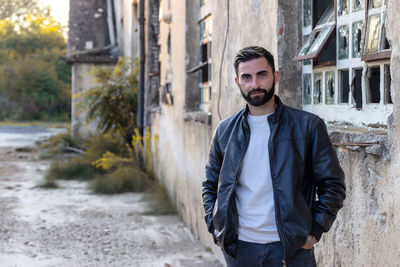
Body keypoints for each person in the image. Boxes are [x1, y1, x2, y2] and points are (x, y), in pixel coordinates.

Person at [202, 46, 346, 267]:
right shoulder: (224, 131)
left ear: (275, 76)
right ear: (237, 82)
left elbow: (333, 184)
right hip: (240, 249)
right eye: (246, 77)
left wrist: (314, 232)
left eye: (262, 75)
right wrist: (216, 228)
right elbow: (211, 184)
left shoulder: (307, 126)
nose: (255, 84)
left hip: (292, 248)